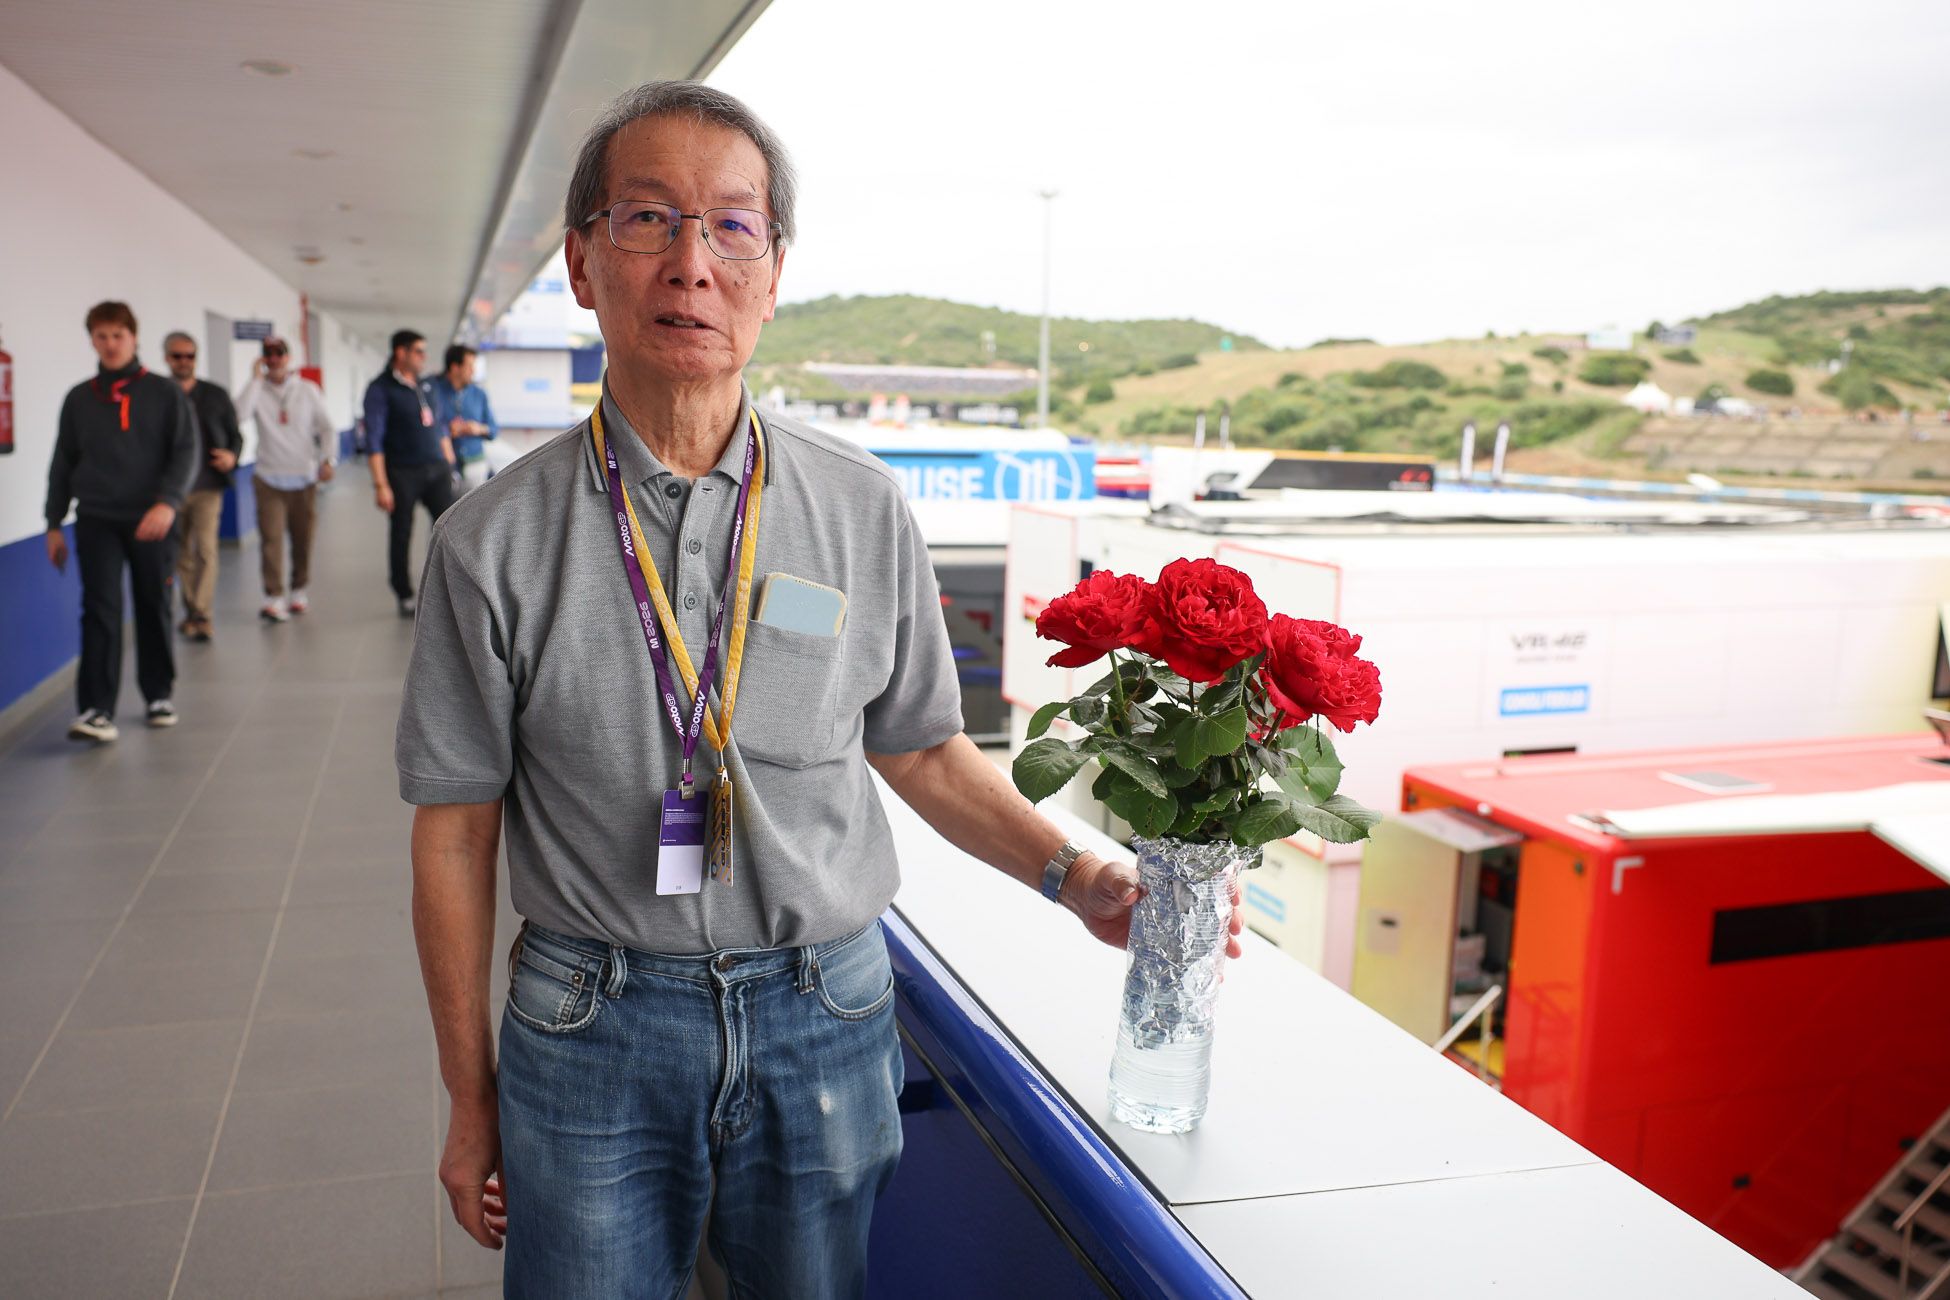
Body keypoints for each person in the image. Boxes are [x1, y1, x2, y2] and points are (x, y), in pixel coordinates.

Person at [395, 81, 1244, 1299]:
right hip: (591, 1024)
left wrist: (1080, 879)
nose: (692, 262)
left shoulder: (861, 508)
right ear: (583, 262)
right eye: (648, 220)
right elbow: (456, 831)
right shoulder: (489, 542)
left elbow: (922, 749)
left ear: (775, 272)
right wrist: (468, 1100)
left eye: (732, 226)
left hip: (825, 1017)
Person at [45, 301, 196, 742]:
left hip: (152, 519)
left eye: (118, 335)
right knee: (100, 610)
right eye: (101, 336)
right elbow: (62, 463)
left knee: (153, 605)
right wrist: (54, 521)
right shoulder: (79, 398)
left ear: (134, 338)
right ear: (92, 340)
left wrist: (168, 502)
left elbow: (185, 451)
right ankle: (96, 709)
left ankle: (158, 694)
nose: (110, 344)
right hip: (96, 518)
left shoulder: (164, 393)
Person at [235, 336, 337, 622]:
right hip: (268, 478)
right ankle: (273, 597)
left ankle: (298, 589)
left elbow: (328, 428)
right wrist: (254, 380)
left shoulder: (307, 390)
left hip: (304, 478)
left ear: (288, 357)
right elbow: (237, 415)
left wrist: (328, 459)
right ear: (263, 359)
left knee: (303, 540)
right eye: (269, 354)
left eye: (280, 353)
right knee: (271, 540)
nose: (275, 359)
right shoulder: (257, 390)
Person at [363, 330, 455, 616]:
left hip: (436, 469)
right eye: (418, 351)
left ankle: (450, 589)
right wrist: (380, 484)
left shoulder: (427, 385)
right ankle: (404, 593)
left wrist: (450, 463)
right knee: (401, 532)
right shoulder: (380, 389)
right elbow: (374, 440)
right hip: (402, 472)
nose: (424, 357)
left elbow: (439, 426)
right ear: (400, 353)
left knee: (450, 528)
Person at [161, 331, 243, 641]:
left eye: (190, 356)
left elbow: (236, 436)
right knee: (180, 554)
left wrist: (231, 456)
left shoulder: (215, 394)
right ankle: (193, 610)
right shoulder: (159, 394)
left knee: (206, 550)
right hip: (171, 490)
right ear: (168, 359)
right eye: (177, 356)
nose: (184, 362)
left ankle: (202, 614)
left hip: (208, 485)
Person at [429, 344, 499, 493]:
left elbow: (493, 430)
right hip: (444, 466)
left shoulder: (479, 394)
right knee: (444, 513)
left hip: (476, 466)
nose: (473, 371)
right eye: (470, 366)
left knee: (476, 513)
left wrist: (477, 428)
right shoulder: (434, 393)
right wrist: (447, 431)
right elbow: (428, 426)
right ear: (455, 368)